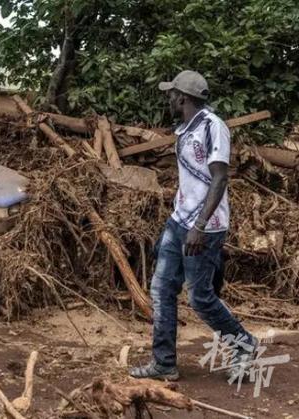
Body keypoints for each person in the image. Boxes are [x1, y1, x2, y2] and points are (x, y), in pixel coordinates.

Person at [129, 70, 257, 381]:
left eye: (171, 94)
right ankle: (164, 363)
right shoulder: (186, 127)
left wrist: (199, 226)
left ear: (182, 98)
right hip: (179, 220)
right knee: (161, 289)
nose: (168, 98)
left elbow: (220, 178)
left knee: (200, 296)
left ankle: (245, 345)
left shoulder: (214, 128)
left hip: (205, 226)